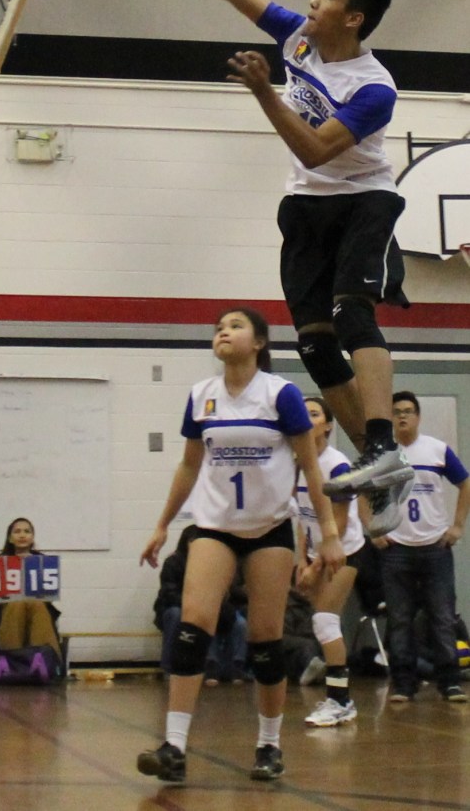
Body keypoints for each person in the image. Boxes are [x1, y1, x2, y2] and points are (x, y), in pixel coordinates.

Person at [122, 0, 414, 537]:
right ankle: (378, 459)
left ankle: (386, 443)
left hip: (364, 196)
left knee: (349, 312)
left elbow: (315, 147)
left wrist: (263, 91)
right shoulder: (299, 38)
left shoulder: (374, 88)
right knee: (311, 339)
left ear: (354, 17)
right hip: (305, 205)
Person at [137, 307, 344, 787]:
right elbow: (189, 466)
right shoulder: (201, 397)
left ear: (260, 342)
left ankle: (269, 745)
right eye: (218, 327)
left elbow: (312, 469)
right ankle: (174, 746)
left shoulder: (281, 395)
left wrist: (328, 533)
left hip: (269, 529)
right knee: (192, 627)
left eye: (235, 326)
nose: (223, 332)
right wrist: (163, 524)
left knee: (266, 642)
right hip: (214, 527)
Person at [373, 391, 470, 703]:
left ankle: (450, 682)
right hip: (396, 549)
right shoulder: (382, 453)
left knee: (442, 616)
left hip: (435, 548)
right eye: (397, 412)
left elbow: (465, 483)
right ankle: (403, 683)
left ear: (417, 416)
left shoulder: (437, 450)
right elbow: (361, 492)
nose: (402, 416)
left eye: (408, 411)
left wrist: (457, 526)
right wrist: (372, 529)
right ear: (391, 418)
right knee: (400, 618)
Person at [295, 396, 368, 726]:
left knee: (325, 620)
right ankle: (334, 689)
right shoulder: (297, 463)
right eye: (302, 413)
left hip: (344, 552)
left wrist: (316, 566)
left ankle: (340, 701)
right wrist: (301, 561)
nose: (307, 419)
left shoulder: (337, 466)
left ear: (327, 424)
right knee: (322, 623)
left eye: (314, 414)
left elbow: (336, 525)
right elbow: (299, 518)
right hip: (314, 555)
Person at [153, 523, 248, 684]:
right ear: (187, 543)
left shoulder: (216, 565)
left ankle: (235, 666)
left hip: (212, 607)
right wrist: (194, 604)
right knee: (182, 616)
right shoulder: (173, 562)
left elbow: (229, 592)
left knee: (240, 623)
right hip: (176, 606)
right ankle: (172, 667)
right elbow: (168, 593)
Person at [0, 517, 61, 659]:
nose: (22, 535)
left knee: (35, 603)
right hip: (7, 611)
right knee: (17, 603)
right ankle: (12, 659)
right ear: (10, 538)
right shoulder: (0, 562)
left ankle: (44, 659)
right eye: (17, 531)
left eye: (27, 531)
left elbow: (48, 598)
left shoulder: (43, 561)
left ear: (32, 538)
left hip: (38, 609)